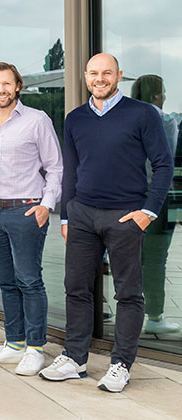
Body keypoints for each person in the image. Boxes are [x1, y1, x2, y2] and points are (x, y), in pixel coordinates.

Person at [40, 53, 172, 393]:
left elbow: (163, 165)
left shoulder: (142, 114)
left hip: (125, 216)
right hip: (82, 215)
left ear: (118, 75)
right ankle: (75, 358)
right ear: (86, 77)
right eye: (94, 73)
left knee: (128, 293)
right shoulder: (75, 118)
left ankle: (121, 364)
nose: (100, 79)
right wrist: (66, 215)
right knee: (76, 288)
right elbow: (71, 170)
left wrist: (148, 212)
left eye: (107, 73)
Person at [0, 62, 62, 376]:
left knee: (29, 281)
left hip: (25, 211)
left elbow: (55, 167)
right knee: (6, 282)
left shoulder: (37, 120)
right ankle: (14, 343)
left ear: (18, 86)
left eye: (7, 83)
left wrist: (46, 206)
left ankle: (36, 349)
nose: (1, 90)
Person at [131, 74, 181, 334]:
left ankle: (130, 316)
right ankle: (155, 317)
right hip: (159, 197)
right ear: (157, 94)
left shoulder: (127, 117)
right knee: (155, 259)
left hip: (129, 197)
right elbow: (169, 158)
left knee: (132, 259)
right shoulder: (166, 120)